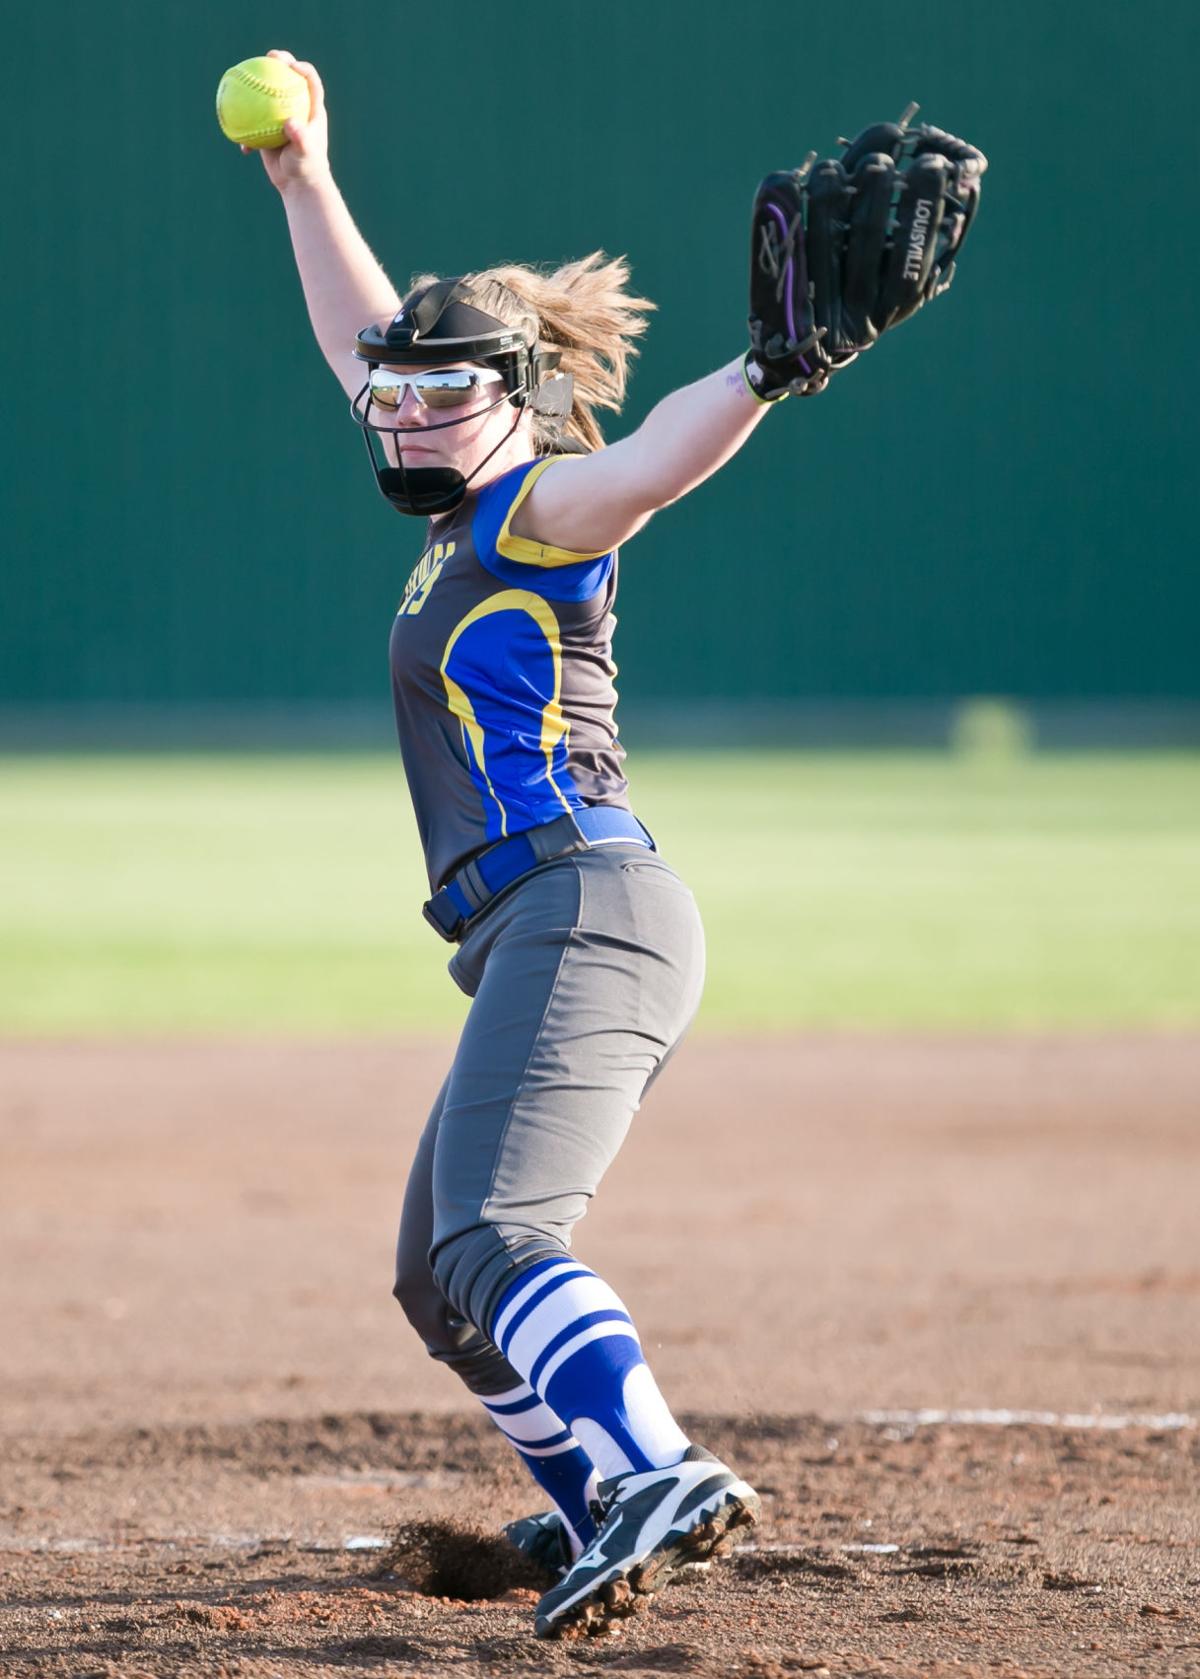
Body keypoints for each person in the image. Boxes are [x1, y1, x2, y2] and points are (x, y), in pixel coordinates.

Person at [243, 49, 985, 1639]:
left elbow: (651, 468)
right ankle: (599, 1504)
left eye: (449, 394)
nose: (410, 412)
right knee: (439, 1279)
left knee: (500, 1233)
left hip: (588, 907)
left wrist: (771, 373)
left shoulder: (539, 507)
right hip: (538, 926)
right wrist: (306, 174)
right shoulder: (458, 517)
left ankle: (654, 1468)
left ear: (514, 407)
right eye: (400, 395)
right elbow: (360, 341)